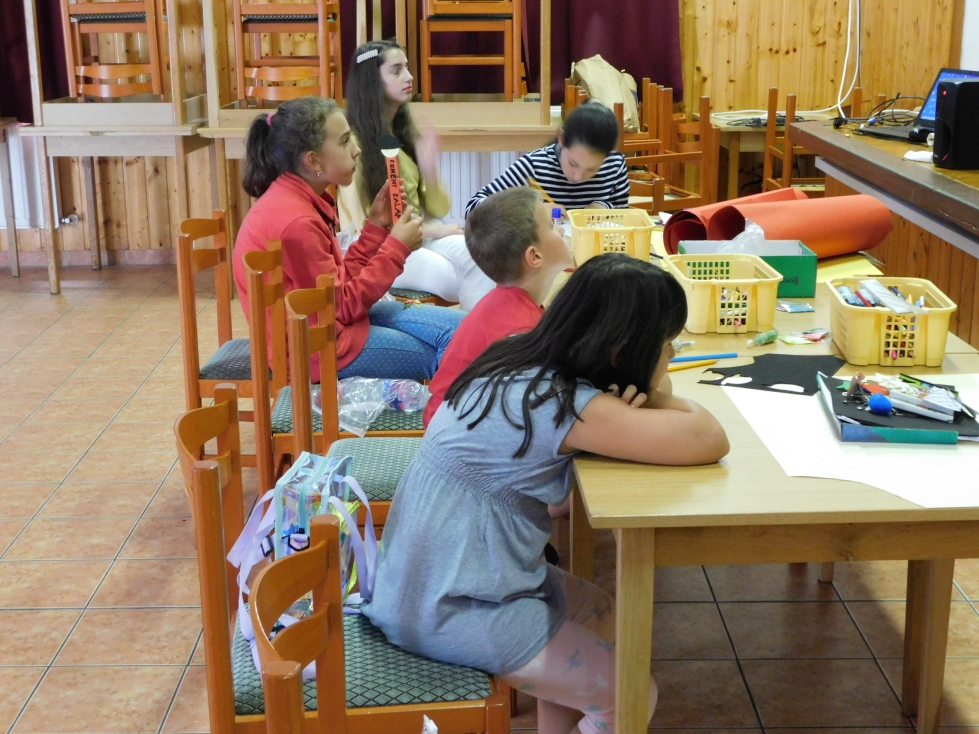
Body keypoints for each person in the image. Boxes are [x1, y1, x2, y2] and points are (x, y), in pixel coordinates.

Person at [363, 254, 730, 734]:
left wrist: (624, 394)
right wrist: (651, 394)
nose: (673, 354)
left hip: (429, 583)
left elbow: (554, 504)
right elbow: (708, 437)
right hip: (453, 607)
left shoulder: (521, 355)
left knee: (604, 613)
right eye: (665, 345)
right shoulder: (562, 403)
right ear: (622, 352)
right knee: (631, 696)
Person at [233, 96, 464, 383]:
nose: (356, 150)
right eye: (344, 142)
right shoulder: (297, 221)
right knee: (456, 349)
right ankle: (448, 411)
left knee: (463, 329)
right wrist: (397, 247)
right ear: (313, 160)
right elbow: (344, 306)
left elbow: (338, 289)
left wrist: (376, 226)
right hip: (319, 352)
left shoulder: (297, 200)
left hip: (332, 329)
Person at [341, 39, 494, 310]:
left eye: (407, 68)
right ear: (372, 81)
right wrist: (435, 230)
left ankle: (478, 335)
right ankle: (471, 334)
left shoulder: (404, 132)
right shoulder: (354, 144)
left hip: (418, 234)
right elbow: (365, 225)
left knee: (483, 261)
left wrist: (430, 169)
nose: (409, 77)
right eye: (397, 70)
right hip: (381, 247)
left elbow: (438, 208)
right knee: (458, 278)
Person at [423, 186, 573, 428]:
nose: (562, 229)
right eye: (552, 226)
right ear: (534, 256)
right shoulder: (519, 329)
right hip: (456, 435)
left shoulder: (512, 303)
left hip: (455, 424)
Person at [465, 100, 630, 216]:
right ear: (562, 139)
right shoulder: (534, 166)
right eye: (573, 163)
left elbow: (624, 217)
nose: (578, 177)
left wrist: (603, 207)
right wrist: (533, 210)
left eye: (592, 170)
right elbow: (473, 210)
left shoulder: (614, 165)